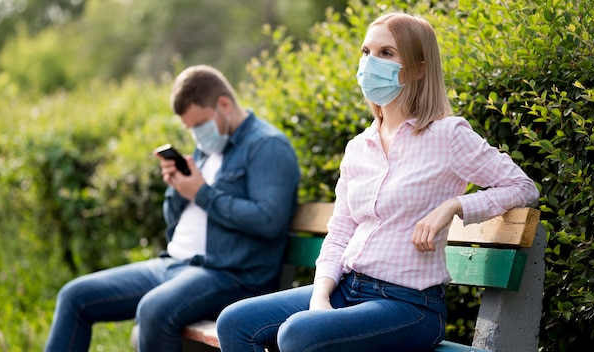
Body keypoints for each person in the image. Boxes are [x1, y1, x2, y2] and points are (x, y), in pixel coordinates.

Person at [215, 12, 539, 352]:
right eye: (366, 52)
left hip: (409, 305)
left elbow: (522, 187)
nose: (370, 62)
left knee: (298, 334)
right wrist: (321, 296)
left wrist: (455, 205)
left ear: (418, 68)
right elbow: (340, 230)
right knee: (235, 323)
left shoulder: (448, 134)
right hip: (346, 288)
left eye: (386, 53)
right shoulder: (358, 147)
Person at [44, 65, 300, 352]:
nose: (196, 135)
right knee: (74, 296)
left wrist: (202, 193)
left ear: (224, 105)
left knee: (154, 310)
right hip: (173, 263)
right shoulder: (207, 149)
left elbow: (269, 221)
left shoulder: (267, 146)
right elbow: (173, 221)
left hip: (228, 274)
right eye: (189, 129)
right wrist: (177, 190)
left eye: (199, 125)